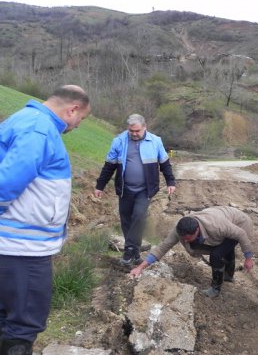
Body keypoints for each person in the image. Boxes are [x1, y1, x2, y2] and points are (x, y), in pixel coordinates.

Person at [0, 85, 91, 354]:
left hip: (15, 243)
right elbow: (7, 182)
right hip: (22, 248)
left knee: (7, 314)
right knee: (23, 323)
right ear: (72, 109)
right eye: (81, 119)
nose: (78, 125)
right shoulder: (38, 129)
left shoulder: (27, 120)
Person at [94, 114, 176, 265]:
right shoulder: (119, 141)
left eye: (137, 130)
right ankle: (136, 254)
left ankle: (128, 251)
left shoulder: (155, 141)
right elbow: (109, 166)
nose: (134, 134)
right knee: (126, 221)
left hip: (145, 190)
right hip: (125, 189)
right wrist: (100, 185)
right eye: (131, 131)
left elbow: (165, 163)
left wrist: (170, 181)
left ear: (145, 127)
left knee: (138, 217)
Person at [129, 206, 254, 298]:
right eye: (183, 239)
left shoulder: (216, 226)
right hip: (225, 220)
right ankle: (228, 276)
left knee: (216, 255)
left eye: (188, 239)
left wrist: (248, 258)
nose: (185, 241)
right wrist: (140, 267)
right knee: (222, 249)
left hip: (240, 224)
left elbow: (241, 234)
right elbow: (163, 247)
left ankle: (215, 288)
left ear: (197, 230)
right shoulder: (180, 229)